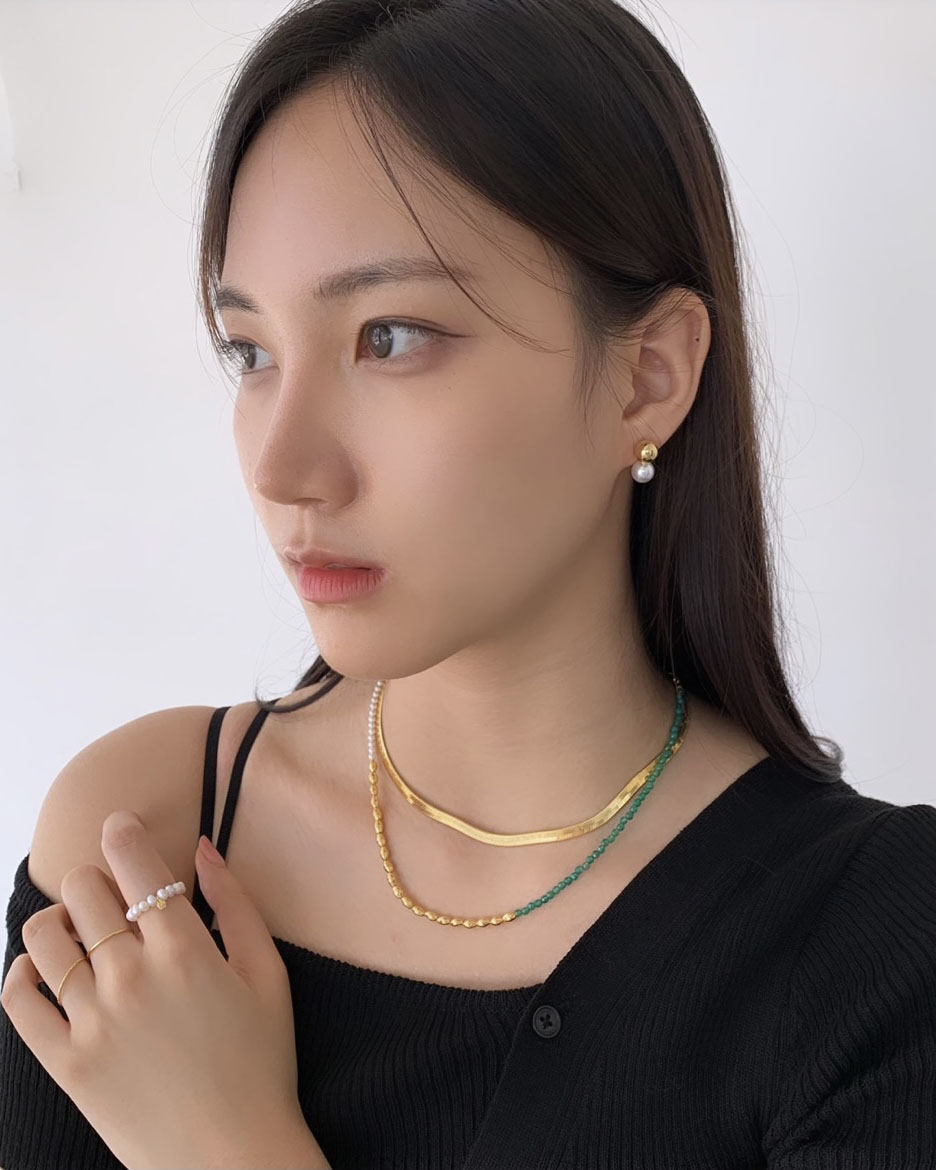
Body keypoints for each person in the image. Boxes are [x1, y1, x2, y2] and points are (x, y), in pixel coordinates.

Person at [2, 0, 934, 1166]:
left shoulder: (873, 945)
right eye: (252, 352)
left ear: (648, 377)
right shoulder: (144, 845)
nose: (283, 470)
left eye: (390, 337)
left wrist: (226, 1143)